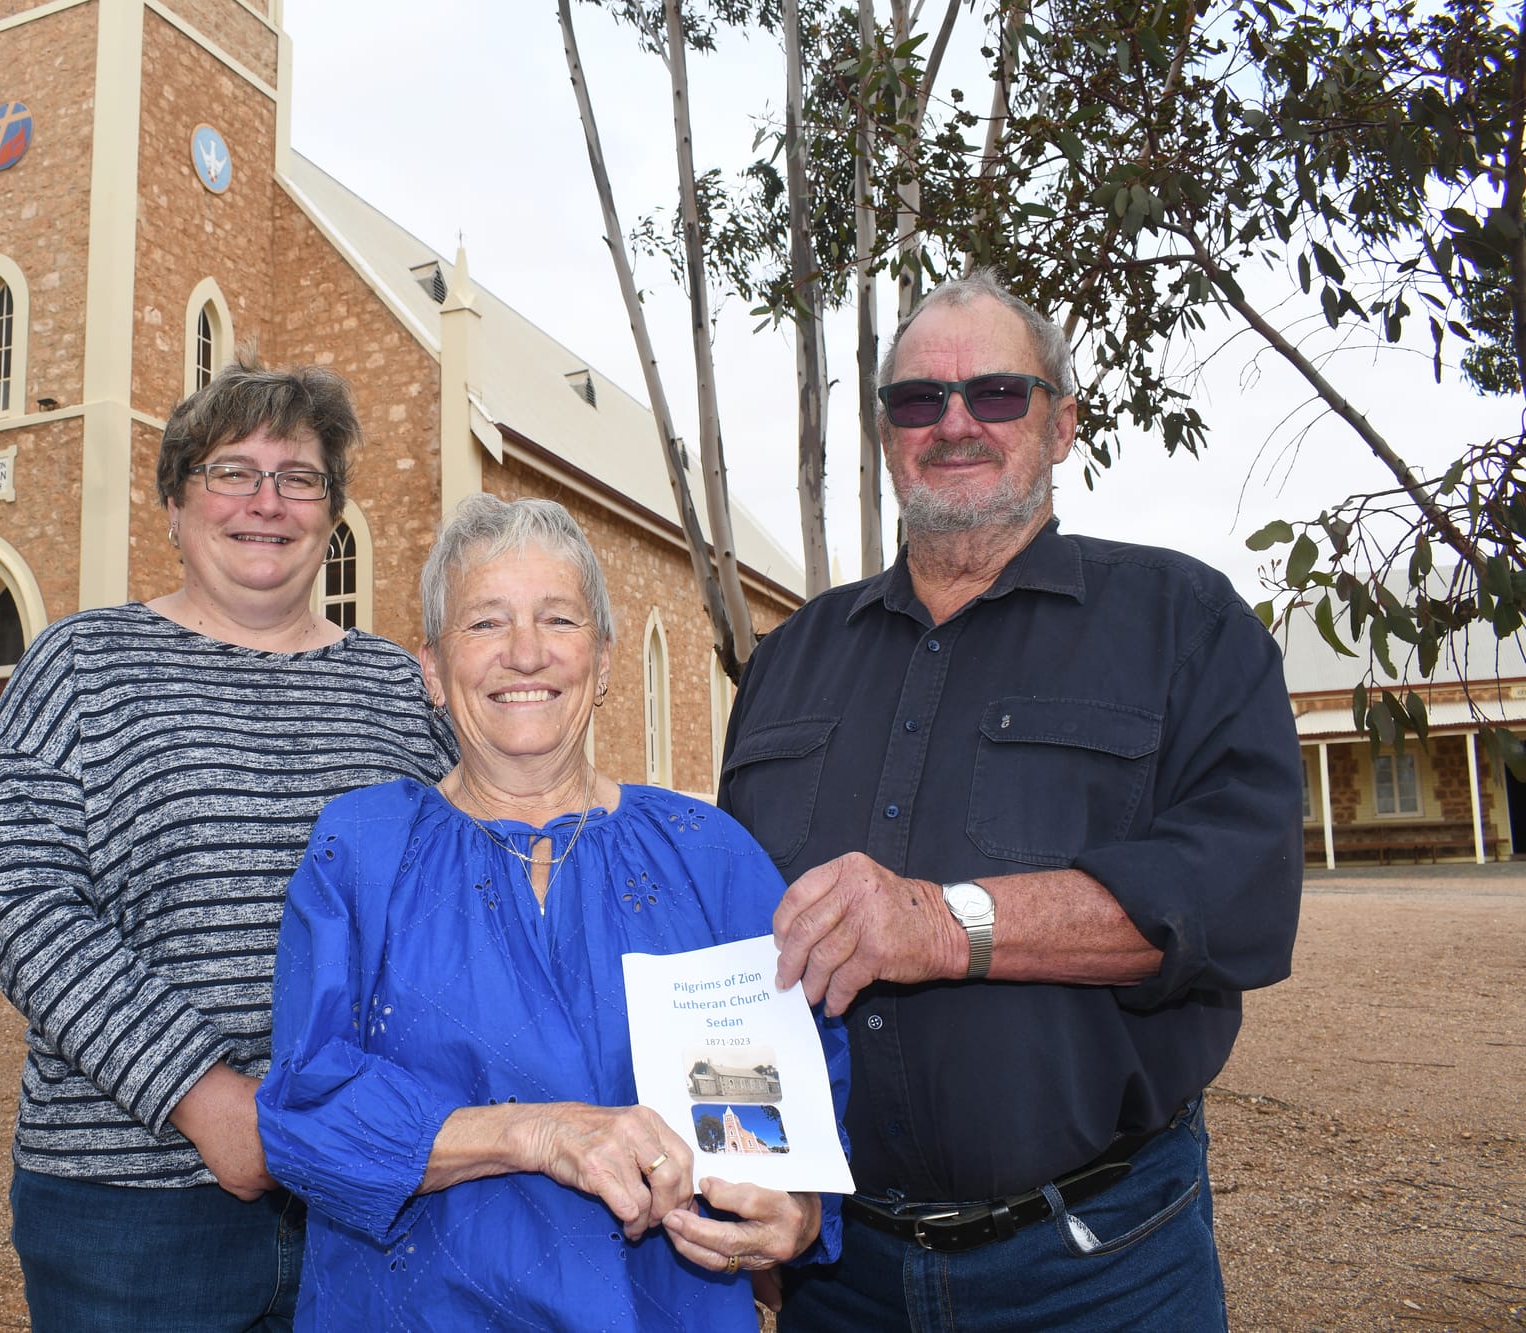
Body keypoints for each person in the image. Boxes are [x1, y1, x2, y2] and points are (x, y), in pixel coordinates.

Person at [718, 269, 1303, 1331]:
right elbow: (737, 944)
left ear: (1060, 423)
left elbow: (1234, 898)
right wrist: (751, 1187)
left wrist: (944, 924)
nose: (953, 423)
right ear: (887, 435)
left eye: (994, 393)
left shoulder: (1184, 624)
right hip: (836, 1275)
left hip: (1099, 1268)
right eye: (917, 400)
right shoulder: (788, 661)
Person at [256, 494, 847, 1332]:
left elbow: (806, 1096)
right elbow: (303, 1114)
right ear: (432, 668)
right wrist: (539, 1132)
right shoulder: (361, 852)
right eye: (485, 622)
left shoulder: (709, 856)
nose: (525, 652)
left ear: (602, 660)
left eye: (558, 618)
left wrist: (802, 1210)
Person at [0, 361, 458, 1332]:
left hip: (370, 1193)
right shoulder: (81, 665)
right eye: (232, 471)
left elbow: (476, 888)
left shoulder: (401, 690)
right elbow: (18, 893)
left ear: (331, 512)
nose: (266, 502)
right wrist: (201, 1094)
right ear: (175, 503)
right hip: (131, 1214)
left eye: (299, 477)